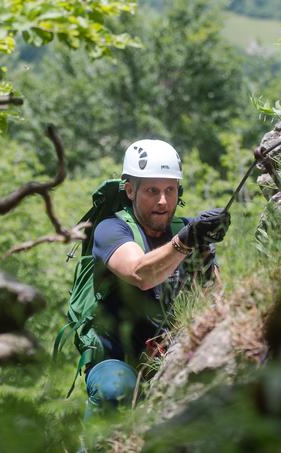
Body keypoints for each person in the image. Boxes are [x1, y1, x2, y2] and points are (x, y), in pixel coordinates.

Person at [84, 139, 230, 419]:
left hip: (172, 354)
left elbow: (216, 299)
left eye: (170, 190)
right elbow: (140, 274)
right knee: (117, 389)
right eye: (152, 191)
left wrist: (205, 252)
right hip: (117, 362)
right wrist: (186, 242)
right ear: (130, 190)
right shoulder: (110, 230)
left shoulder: (188, 230)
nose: (163, 201)